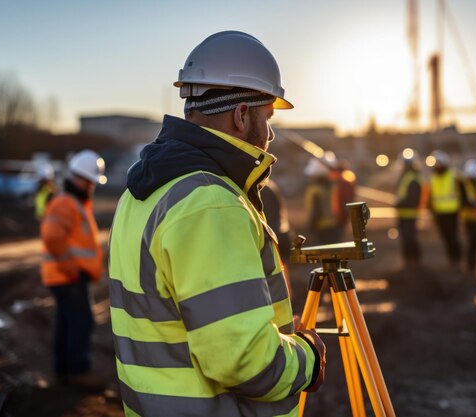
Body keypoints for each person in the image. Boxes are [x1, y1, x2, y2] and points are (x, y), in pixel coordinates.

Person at [108, 31, 325, 417]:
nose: (270, 134)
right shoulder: (211, 204)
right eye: (268, 118)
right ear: (242, 115)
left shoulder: (142, 193)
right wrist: (307, 357)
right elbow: (244, 362)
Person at [40, 149, 106, 384]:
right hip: (69, 277)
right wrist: (72, 270)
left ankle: (64, 372)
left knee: (67, 323)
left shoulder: (72, 202)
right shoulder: (65, 203)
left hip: (67, 277)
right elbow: (52, 236)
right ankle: (79, 372)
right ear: (80, 178)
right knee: (81, 321)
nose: (92, 187)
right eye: (90, 182)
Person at [428, 150, 463, 268]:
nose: (437, 166)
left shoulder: (454, 176)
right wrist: (431, 209)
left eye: (439, 163)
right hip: (440, 213)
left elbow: (462, 193)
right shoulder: (433, 177)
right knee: (445, 237)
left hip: (452, 212)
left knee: (453, 237)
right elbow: (432, 195)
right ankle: (451, 259)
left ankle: (456, 259)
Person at [395, 148, 424, 265]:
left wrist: (399, 204)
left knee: (409, 238)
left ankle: (414, 261)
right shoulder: (407, 176)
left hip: (409, 214)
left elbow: (412, 198)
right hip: (403, 213)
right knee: (407, 238)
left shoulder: (412, 178)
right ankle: (410, 261)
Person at [304, 157, 341, 245]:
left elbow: (316, 211)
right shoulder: (333, 187)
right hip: (334, 225)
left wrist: (311, 226)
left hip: (321, 227)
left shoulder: (314, 190)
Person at [330, 159, 357, 232]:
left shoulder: (343, 181)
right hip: (344, 211)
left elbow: (343, 199)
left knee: (339, 230)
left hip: (341, 212)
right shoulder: (348, 177)